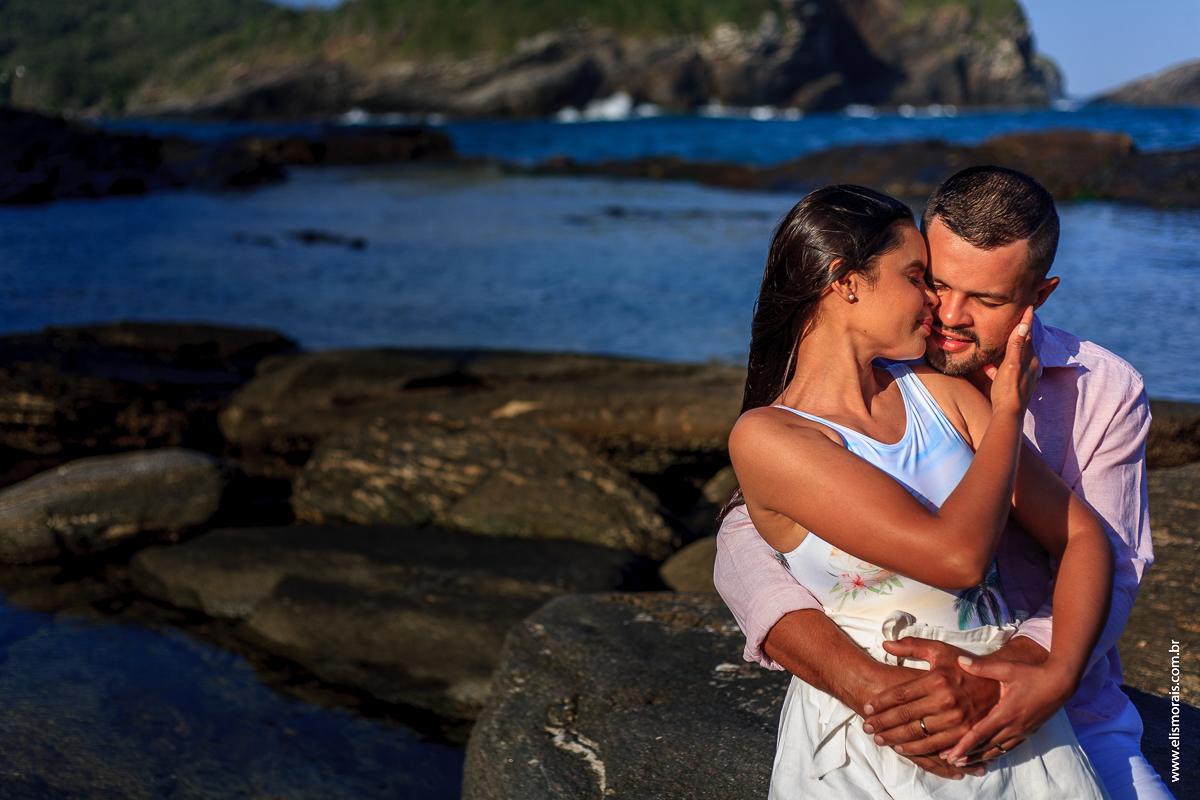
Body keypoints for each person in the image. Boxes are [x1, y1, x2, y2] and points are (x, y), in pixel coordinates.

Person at [715, 167, 1172, 798]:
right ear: (848, 282)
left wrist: (1037, 675)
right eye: (929, 280)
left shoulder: (1101, 391)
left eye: (985, 300)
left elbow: (1106, 554)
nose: (946, 314)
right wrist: (868, 686)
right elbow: (746, 538)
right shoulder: (842, 405)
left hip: (1055, 702)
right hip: (884, 710)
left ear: (1038, 295)